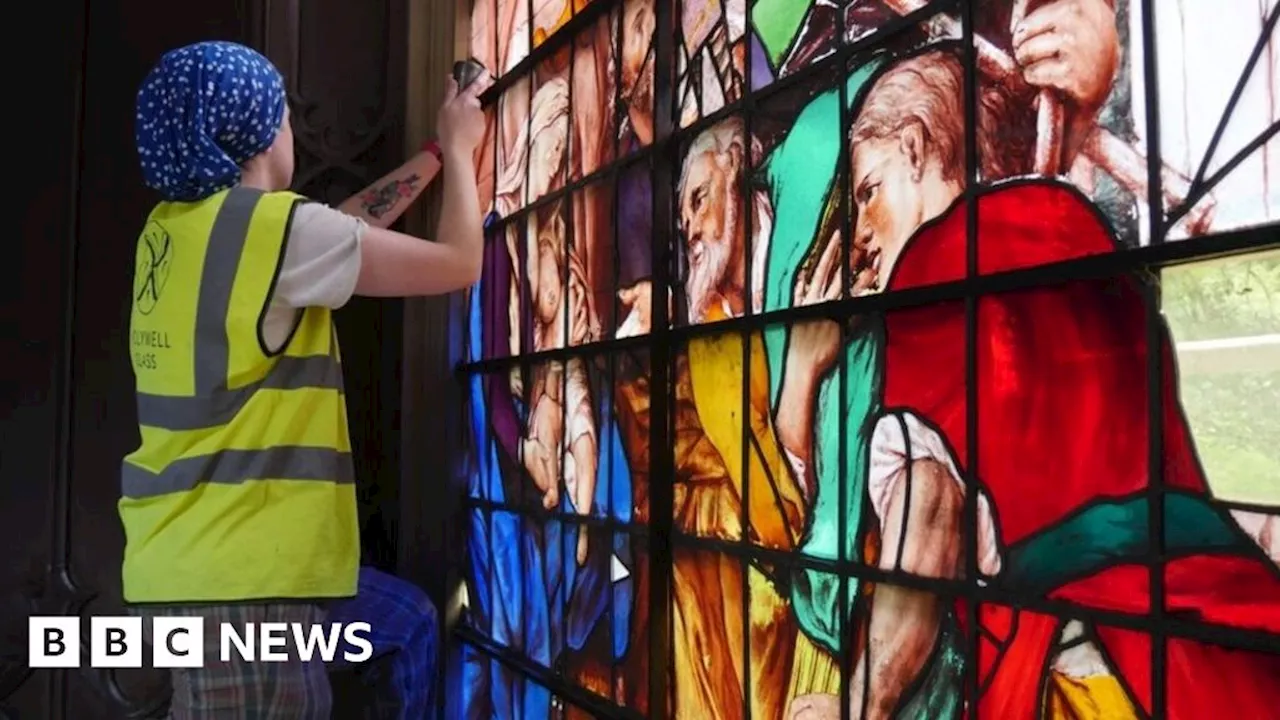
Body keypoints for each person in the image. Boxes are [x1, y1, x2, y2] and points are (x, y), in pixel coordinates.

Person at [785, 45, 1280, 720]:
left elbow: (927, 516)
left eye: (869, 191)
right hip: (1204, 650)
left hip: (1081, 676)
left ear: (916, 147)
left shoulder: (935, 279)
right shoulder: (1076, 237)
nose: (862, 237)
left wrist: (857, 708)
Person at [120, 40, 486, 718]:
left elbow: (340, 230)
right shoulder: (275, 233)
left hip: (194, 568)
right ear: (261, 134)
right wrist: (464, 155)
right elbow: (459, 263)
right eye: (284, 115)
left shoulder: (171, 231)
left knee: (404, 625)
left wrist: (433, 156)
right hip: (243, 599)